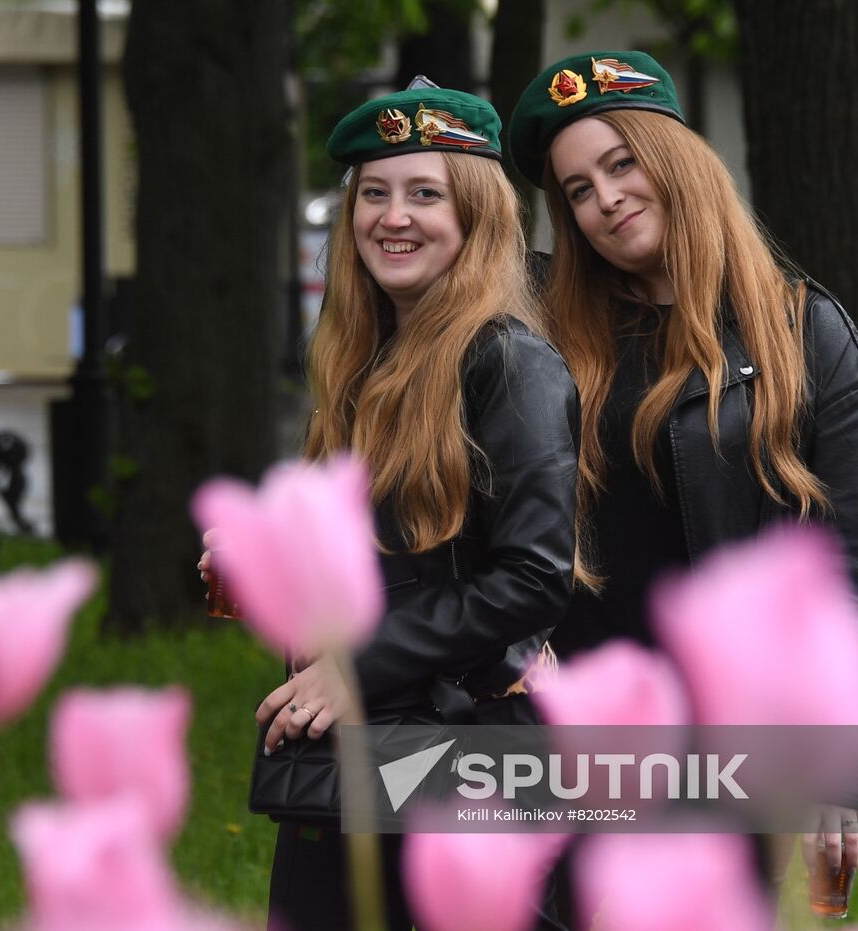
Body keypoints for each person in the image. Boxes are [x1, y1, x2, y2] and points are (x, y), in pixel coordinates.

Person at [508, 49, 858, 907]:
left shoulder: (809, 334)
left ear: (676, 157)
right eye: (576, 189)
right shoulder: (542, 335)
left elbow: (855, 571)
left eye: (621, 163)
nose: (604, 198)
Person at [201, 87, 580, 930]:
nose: (393, 217)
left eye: (424, 193)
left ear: (476, 214)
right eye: (374, 193)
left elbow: (531, 578)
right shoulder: (363, 364)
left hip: (461, 759)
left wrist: (357, 666)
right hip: (352, 760)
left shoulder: (510, 363)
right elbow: (397, 560)